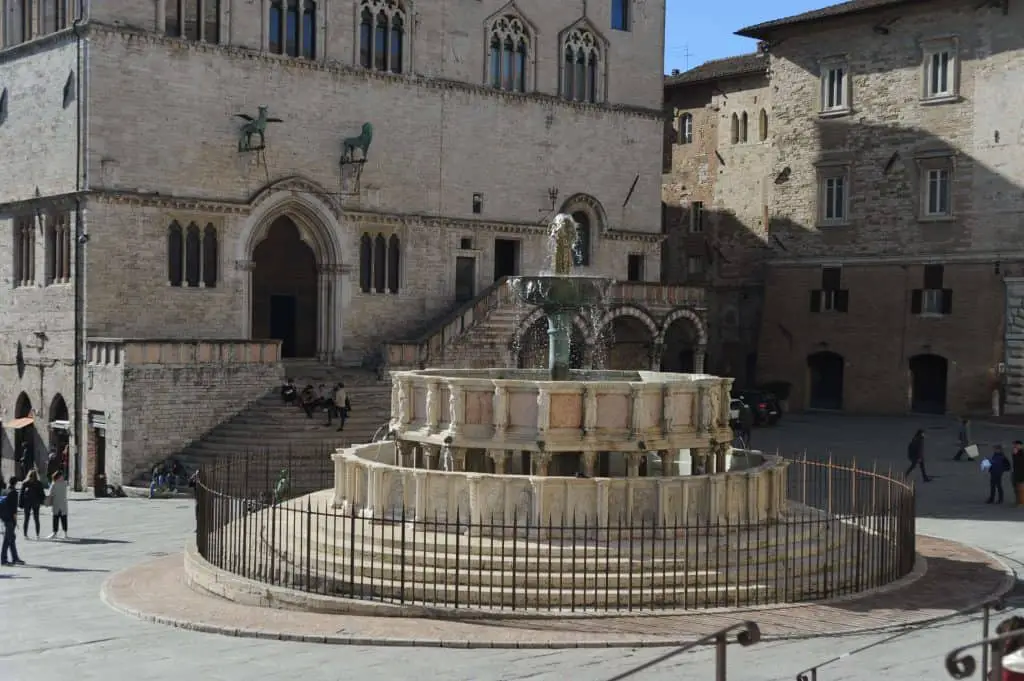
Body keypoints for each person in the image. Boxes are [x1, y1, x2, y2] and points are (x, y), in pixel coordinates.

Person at [0, 476, 23, 565]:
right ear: (16, 483)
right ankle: (3, 559)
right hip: (10, 518)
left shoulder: (4, 491)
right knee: (7, 539)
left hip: (4, 517)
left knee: (11, 538)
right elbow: (14, 509)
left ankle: (15, 557)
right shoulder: (14, 493)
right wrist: (15, 521)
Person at [20, 469, 45, 538]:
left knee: (27, 519)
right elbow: (42, 494)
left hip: (27, 503)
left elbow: (21, 495)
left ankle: (25, 534)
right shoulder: (39, 483)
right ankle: (37, 534)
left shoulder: (25, 483)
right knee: (36, 519)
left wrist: (20, 504)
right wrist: (42, 501)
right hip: (35, 503)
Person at [47, 470, 69, 539]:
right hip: (58, 503)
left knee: (62, 518)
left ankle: (63, 533)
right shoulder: (61, 484)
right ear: (58, 476)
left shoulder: (56, 484)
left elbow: (50, 494)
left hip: (60, 503)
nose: (62, 477)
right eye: (61, 476)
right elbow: (50, 494)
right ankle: (56, 532)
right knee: (57, 518)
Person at [1013, 441, 1024, 506]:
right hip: (1016, 472)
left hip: (1021, 473)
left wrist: (1015, 454)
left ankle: (1021, 501)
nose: (1015, 447)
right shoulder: (1016, 453)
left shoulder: (1021, 453)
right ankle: (1018, 500)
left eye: (1016, 445)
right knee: (1016, 488)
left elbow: (1020, 462)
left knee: (1021, 488)